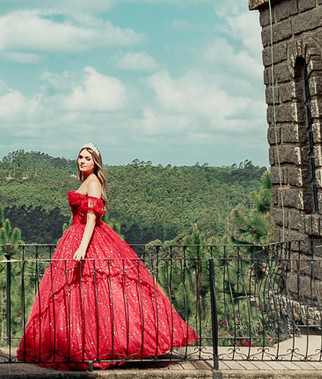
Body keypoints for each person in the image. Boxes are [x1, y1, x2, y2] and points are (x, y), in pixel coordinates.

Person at [17, 146, 197, 367]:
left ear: (96, 162)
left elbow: (91, 218)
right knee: (82, 294)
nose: (82, 161)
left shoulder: (93, 182)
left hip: (86, 237)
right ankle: (83, 346)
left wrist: (83, 247)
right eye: (80, 157)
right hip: (76, 235)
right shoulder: (86, 180)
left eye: (87, 158)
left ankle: (100, 347)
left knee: (99, 291)